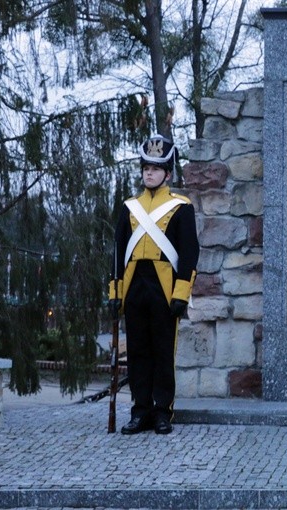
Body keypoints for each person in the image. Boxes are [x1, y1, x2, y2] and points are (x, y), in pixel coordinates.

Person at [108, 134, 199, 435]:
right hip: (134, 286)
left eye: (156, 168)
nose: (149, 172)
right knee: (137, 351)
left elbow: (189, 253)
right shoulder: (130, 207)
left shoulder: (181, 207)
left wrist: (182, 293)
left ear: (168, 174)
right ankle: (140, 410)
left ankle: (162, 411)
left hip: (164, 286)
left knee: (162, 350)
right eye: (146, 167)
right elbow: (117, 252)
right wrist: (114, 293)